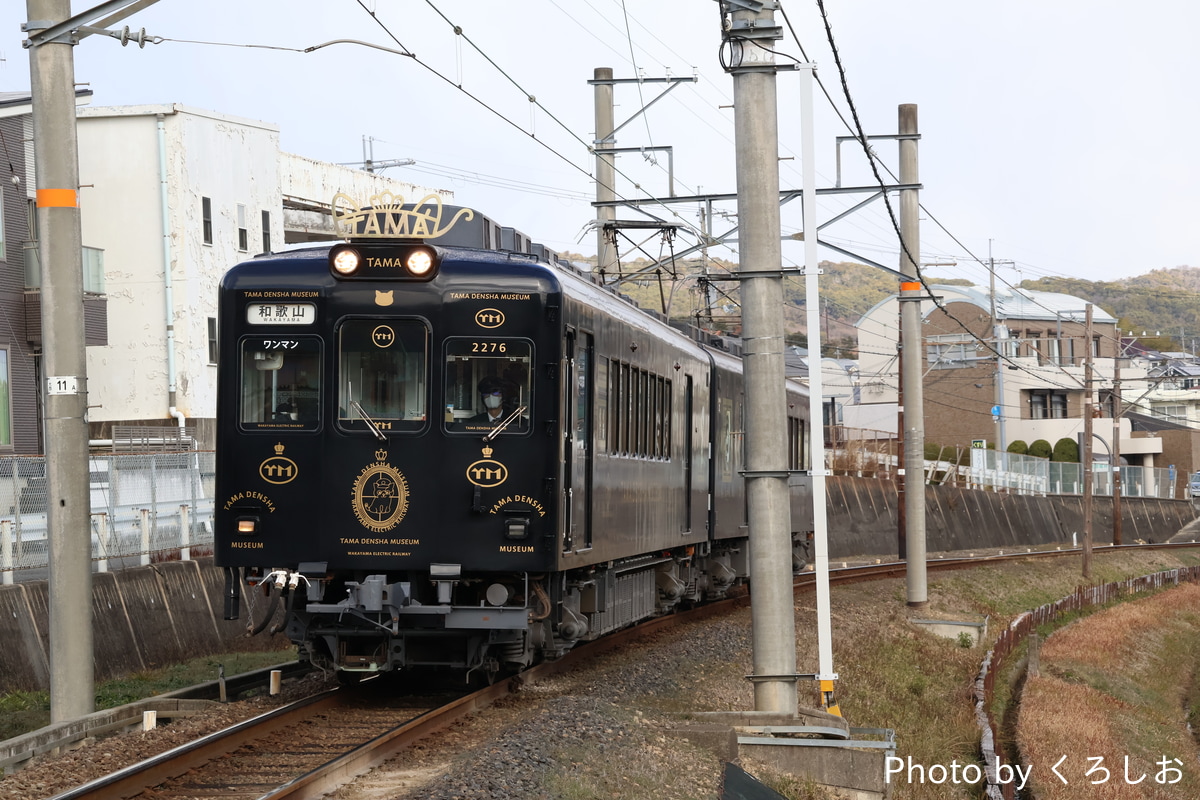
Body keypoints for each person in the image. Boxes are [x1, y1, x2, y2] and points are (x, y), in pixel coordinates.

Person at [458, 376, 527, 432]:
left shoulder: (517, 421)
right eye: (486, 394)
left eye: (495, 393)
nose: (491, 397)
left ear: (503, 396)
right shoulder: (473, 422)